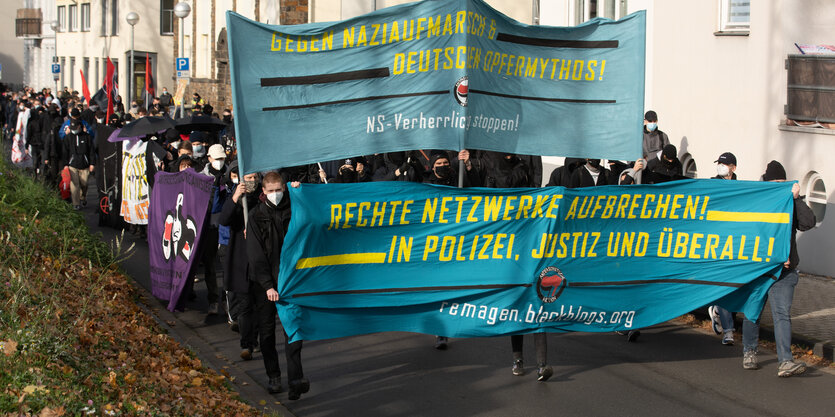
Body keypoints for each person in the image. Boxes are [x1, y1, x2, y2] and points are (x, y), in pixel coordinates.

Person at [741, 161, 815, 377]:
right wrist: (771, 258)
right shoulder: (758, 204)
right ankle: (749, 351)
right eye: (775, 182)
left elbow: (808, 222)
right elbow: (750, 237)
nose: (780, 186)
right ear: (767, 183)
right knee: (752, 313)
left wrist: (797, 199)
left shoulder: (790, 203)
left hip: (785, 273)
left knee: (781, 314)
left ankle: (785, 361)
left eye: (783, 182)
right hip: (760, 272)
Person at [247, 172, 309, 399]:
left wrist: (301, 193)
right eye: (270, 191)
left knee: (293, 331)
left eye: (278, 190)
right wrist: (267, 285)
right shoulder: (256, 216)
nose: (275, 194)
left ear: (284, 188)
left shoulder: (295, 209)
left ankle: (295, 380)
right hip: (266, 285)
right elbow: (256, 255)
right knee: (266, 333)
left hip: (291, 281)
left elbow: (315, 222)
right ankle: (273, 375)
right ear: (263, 191)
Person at [219, 164, 260, 360]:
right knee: (244, 304)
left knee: (259, 304)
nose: (251, 181)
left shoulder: (262, 198)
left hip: (260, 259)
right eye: (248, 178)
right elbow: (224, 219)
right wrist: (236, 197)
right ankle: (246, 344)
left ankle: (256, 338)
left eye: (254, 178)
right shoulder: (236, 199)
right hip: (241, 258)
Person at [707, 152, 739, 345]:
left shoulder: (741, 188)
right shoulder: (712, 185)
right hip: (714, 243)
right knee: (722, 286)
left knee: (733, 288)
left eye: (723, 164)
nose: (720, 166)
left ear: (733, 167)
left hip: (733, 244)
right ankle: (728, 331)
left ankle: (719, 311)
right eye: (718, 163)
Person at [196, 144, 228, 315]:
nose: (219, 162)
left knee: (227, 265)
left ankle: (226, 298)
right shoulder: (201, 178)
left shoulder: (230, 174)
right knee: (210, 264)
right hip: (209, 226)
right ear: (209, 158)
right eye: (216, 159)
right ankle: (213, 299)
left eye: (222, 158)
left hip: (226, 226)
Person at [62, 119, 96, 210]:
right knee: (74, 185)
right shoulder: (68, 137)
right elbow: (65, 151)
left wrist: (92, 163)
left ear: (80, 126)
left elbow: (91, 151)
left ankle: (83, 196)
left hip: (84, 165)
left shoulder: (87, 137)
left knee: (84, 183)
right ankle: (76, 203)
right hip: (72, 164)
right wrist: (65, 164)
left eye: (75, 127)